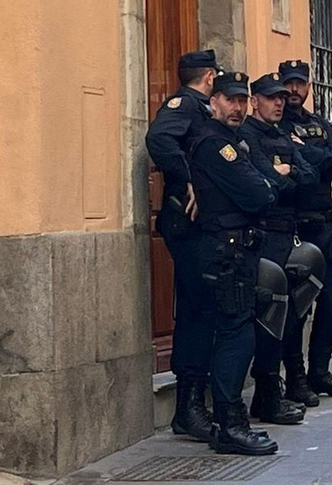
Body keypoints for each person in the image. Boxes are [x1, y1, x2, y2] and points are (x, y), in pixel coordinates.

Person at [189, 70, 279, 455]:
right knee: (235, 336)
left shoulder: (232, 141)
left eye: (242, 100)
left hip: (237, 249)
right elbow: (260, 193)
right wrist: (267, 185)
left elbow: (265, 186)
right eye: (230, 100)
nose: (238, 107)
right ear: (214, 102)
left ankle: (229, 421)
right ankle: (230, 425)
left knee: (237, 332)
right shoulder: (216, 144)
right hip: (226, 252)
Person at [145, 48, 219, 439]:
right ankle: (189, 407)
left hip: (202, 226)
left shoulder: (201, 108)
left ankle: (195, 404)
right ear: (210, 77)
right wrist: (187, 177)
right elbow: (158, 138)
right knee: (197, 312)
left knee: (203, 310)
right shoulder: (186, 105)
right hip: (187, 225)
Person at [278, 59, 332, 402]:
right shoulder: (277, 124)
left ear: (309, 86)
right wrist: (327, 157)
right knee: (298, 304)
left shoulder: (318, 123)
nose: (294, 90)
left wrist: (322, 157)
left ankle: (320, 370)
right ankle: (296, 377)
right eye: (289, 84)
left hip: (324, 221)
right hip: (296, 224)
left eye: (300, 83)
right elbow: (310, 163)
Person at [241, 73, 316, 426]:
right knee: (268, 314)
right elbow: (265, 185)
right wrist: (282, 176)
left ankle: (290, 381)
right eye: (272, 98)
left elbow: (309, 177)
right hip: (265, 234)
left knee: (293, 313)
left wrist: (286, 172)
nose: (279, 103)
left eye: (282, 98)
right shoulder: (247, 135)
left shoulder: (284, 134)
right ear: (254, 101)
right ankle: (266, 392)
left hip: (288, 232)